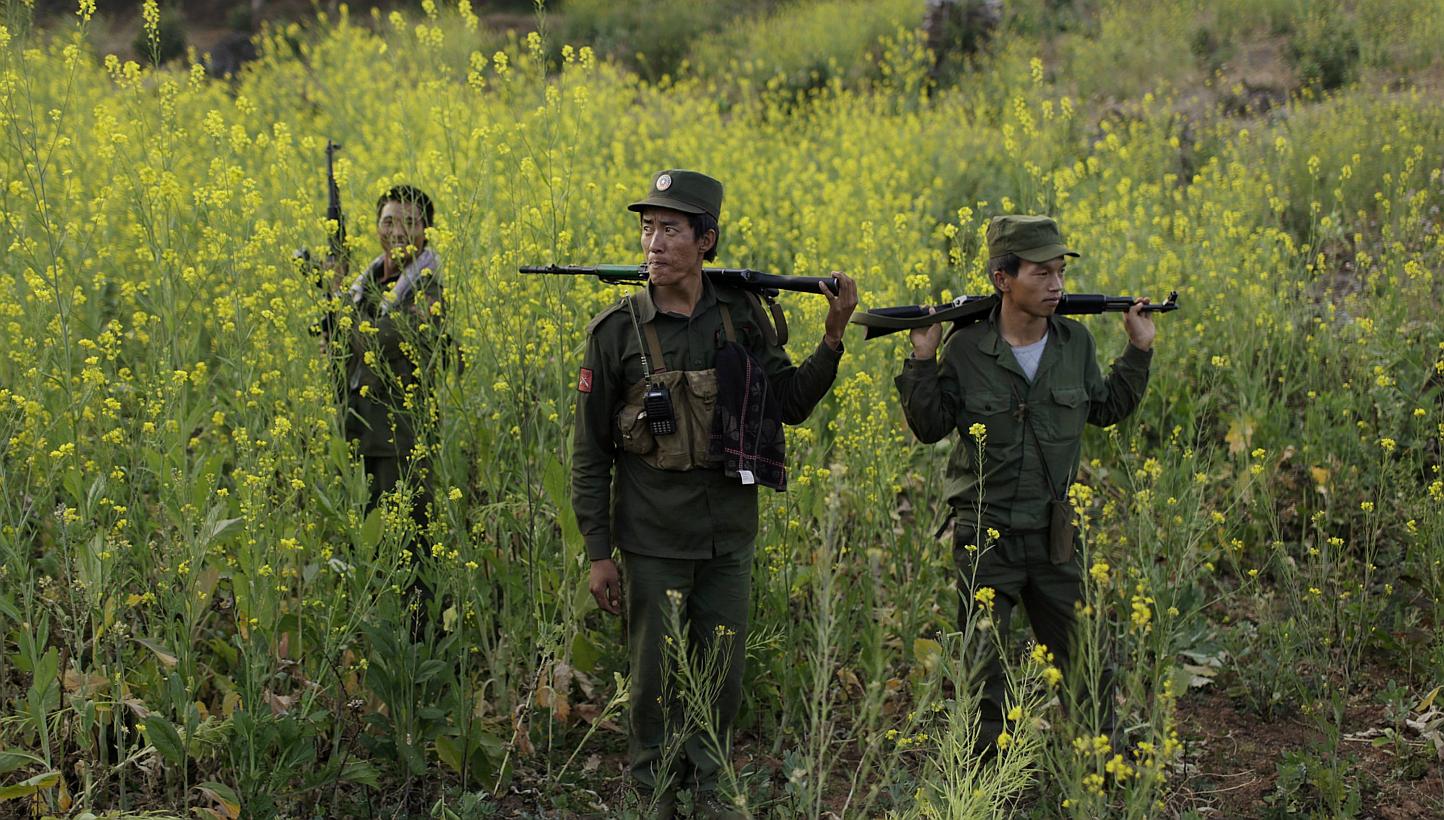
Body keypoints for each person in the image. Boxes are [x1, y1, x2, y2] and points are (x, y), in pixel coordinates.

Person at [571, 169, 857, 814]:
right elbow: (590, 454)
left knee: (720, 680)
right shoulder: (614, 332)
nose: (654, 244)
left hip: (728, 536)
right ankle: (652, 794)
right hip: (651, 539)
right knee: (651, 683)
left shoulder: (742, 318)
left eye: (671, 229)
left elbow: (788, 403)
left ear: (707, 241)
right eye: (647, 229)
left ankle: (710, 790)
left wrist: (833, 335)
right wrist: (598, 552)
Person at [894, 214, 1155, 756]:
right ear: (1002, 279)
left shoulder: (1074, 343)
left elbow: (1105, 408)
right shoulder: (967, 349)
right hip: (985, 535)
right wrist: (921, 359)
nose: (1056, 285)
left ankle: (1103, 771)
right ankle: (980, 781)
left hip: (1054, 534)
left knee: (1084, 661)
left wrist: (1138, 350)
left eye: (1060, 272)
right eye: (1041, 273)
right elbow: (930, 426)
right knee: (983, 669)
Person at [330, 184, 446, 530]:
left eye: (410, 222)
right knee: (363, 546)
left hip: (401, 443)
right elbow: (345, 343)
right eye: (389, 221)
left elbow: (374, 341)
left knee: (408, 541)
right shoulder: (366, 283)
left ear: (426, 231)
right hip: (357, 431)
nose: (397, 232)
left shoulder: (427, 290)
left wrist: (337, 297)